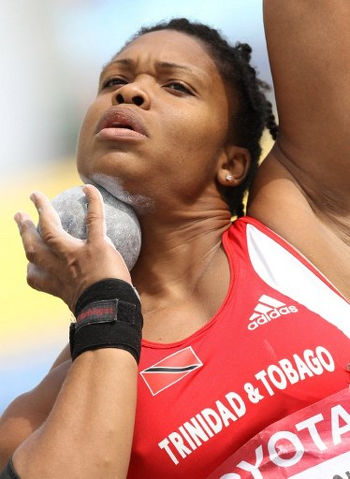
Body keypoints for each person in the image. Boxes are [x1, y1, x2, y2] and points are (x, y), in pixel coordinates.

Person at [1, 1, 349, 477]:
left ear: (233, 163)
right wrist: (105, 305)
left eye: (176, 86)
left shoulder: (304, 226)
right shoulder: (46, 409)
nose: (132, 94)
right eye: (113, 83)